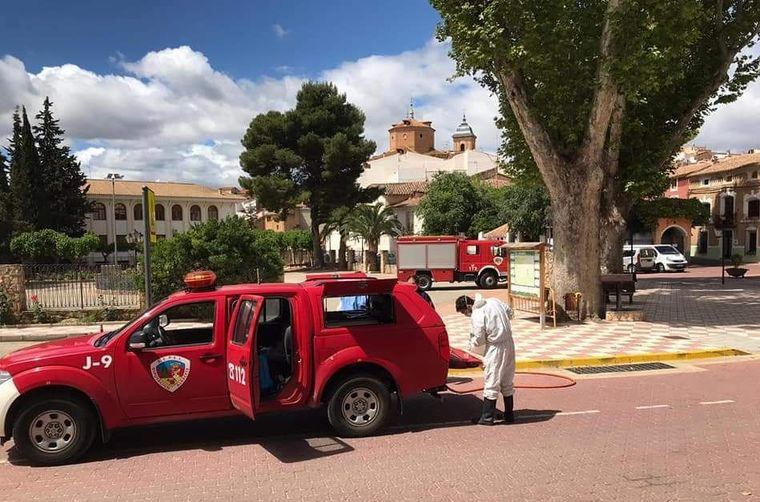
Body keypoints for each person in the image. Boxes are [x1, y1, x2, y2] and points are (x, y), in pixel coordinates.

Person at [455, 294, 516, 425]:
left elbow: (479, 338)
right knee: (507, 379)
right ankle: (509, 415)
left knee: (492, 380)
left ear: (469, 307)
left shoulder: (477, 313)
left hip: (495, 347)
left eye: (464, 312)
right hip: (509, 344)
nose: (466, 315)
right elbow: (510, 312)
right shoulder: (494, 301)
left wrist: (471, 347)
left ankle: (487, 417)